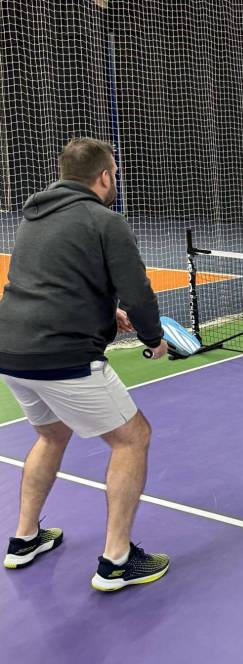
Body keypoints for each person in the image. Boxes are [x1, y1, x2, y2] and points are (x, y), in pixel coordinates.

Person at [0, 138, 171, 591]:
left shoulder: (33, 219)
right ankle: (117, 562)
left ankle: (25, 538)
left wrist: (102, 312)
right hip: (64, 355)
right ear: (104, 176)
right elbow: (138, 292)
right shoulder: (104, 221)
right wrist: (154, 339)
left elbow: (46, 283)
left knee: (51, 434)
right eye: (114, 172)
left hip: (11, 351)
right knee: (133, 438)